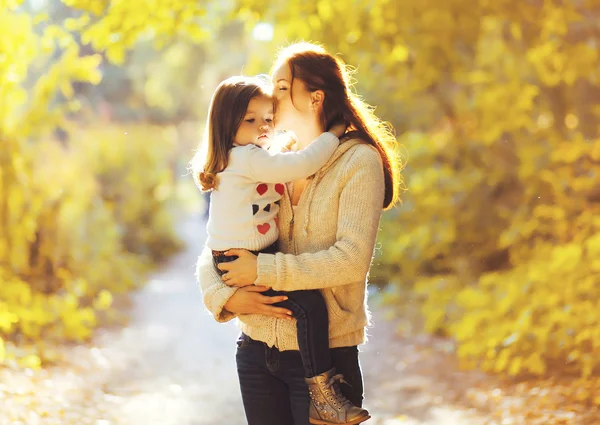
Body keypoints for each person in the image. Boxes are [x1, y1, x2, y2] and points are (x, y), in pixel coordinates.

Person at [196, 42, 402, 425]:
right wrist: (224, 296)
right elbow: (221, 240)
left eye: (280, 87)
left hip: (325, 358)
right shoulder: (266, 158)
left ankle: (327, 396)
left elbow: (351, 261)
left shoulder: (358, 161)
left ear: (314, 97)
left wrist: (261, 270)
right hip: (257, 351)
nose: (269, 97)